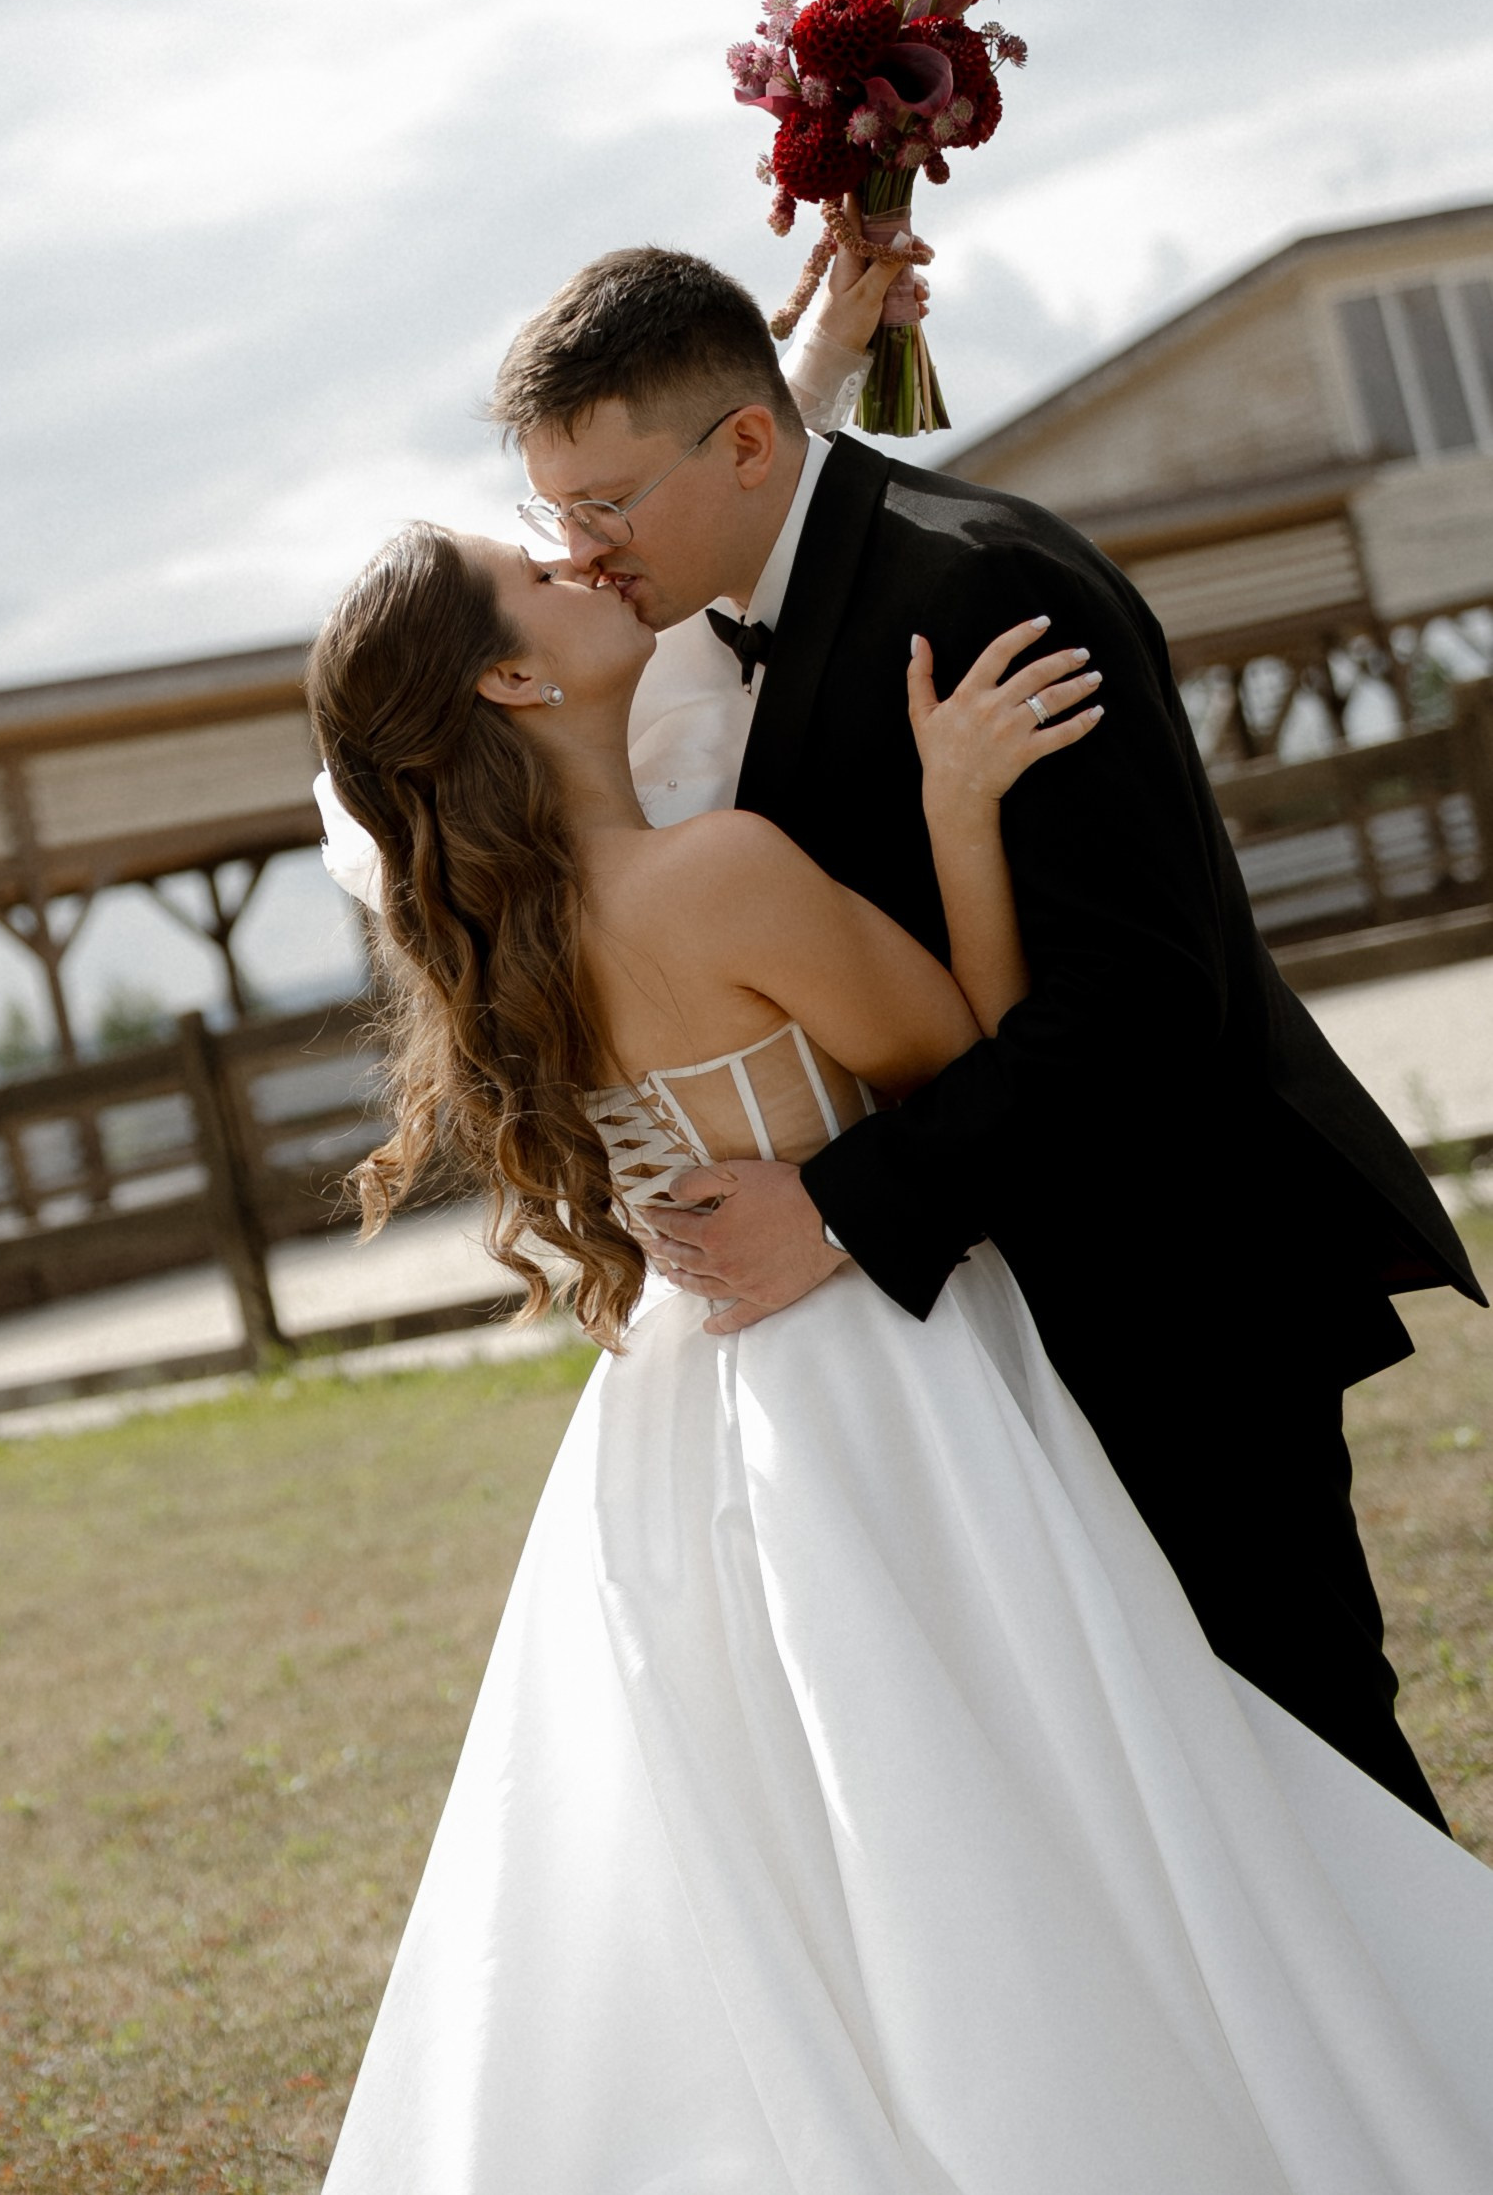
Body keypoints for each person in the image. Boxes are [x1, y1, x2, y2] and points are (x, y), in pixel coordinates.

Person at [306, 513, 1493, 2191]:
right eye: (546, 574)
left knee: (818, 1842)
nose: (592, 566)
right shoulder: (709, 875)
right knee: (1057, 1783)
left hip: (691, 1403)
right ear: (510, 675)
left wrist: (820, 335)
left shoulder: (509, 945)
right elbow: (962, 1055)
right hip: (888, 1367)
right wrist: (955, 805)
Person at [487, 244, 1480, 1827]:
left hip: (1174, 1277)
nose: (582, 554)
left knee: (1310, 1764)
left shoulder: (982, 586)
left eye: (605, 507)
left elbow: (1143, 1004)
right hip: (1007, 1323)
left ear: (745, 447)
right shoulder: (713, 607)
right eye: (559, 517)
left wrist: (835, 1208)